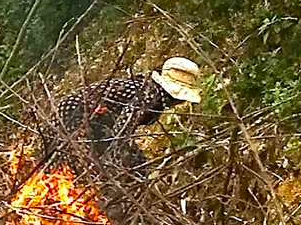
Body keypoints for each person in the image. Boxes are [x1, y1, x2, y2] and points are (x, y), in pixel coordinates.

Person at [51, 56, 204, 175]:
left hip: (96, 119)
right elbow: (121, 130)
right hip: (76, 112)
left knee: (131, 161)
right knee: (77, 161)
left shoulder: (152, 93)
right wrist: (118, 164)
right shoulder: (149, 96)